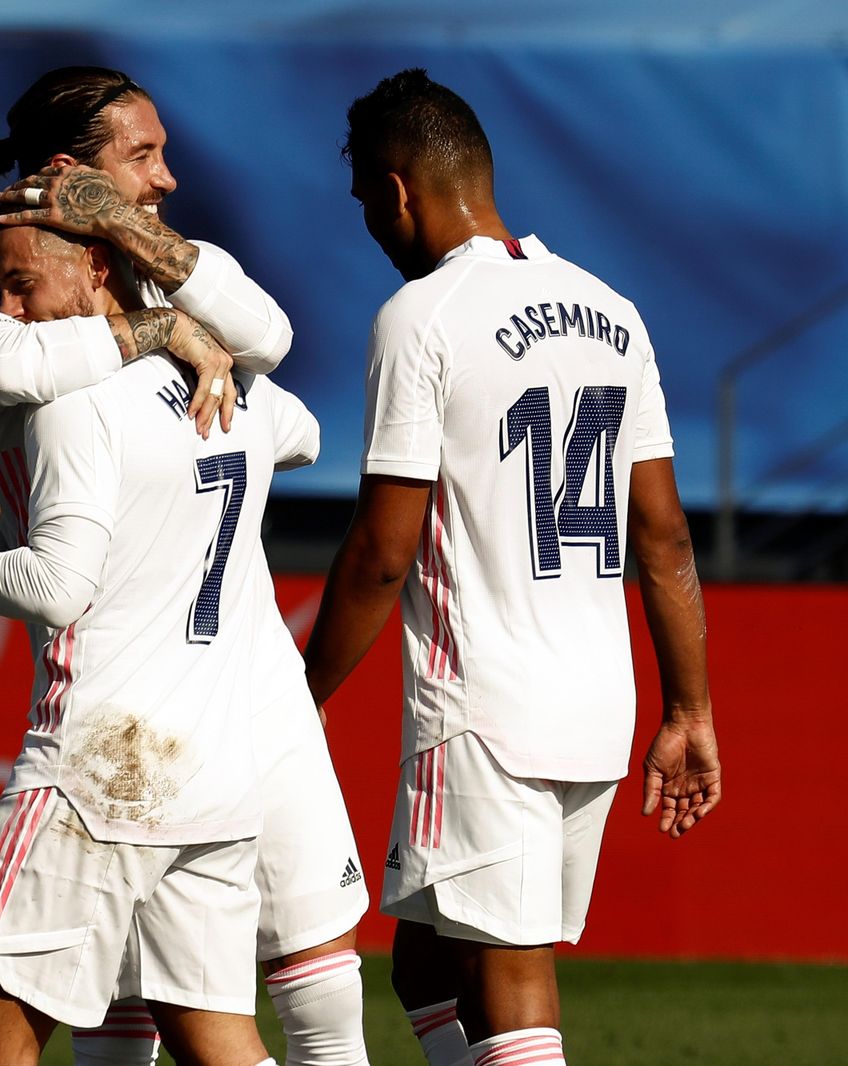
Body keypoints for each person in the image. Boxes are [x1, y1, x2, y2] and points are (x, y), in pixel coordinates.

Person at [0, 67, 369, 1065]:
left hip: (205, 693)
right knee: (167, 1004)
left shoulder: (173, 289)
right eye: (141, 156)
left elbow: (273, 348)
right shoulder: (13, 320)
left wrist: (142, 258)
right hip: (170, 707)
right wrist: (162, 334)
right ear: (71, 174)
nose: (167, 178)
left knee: (312, 972)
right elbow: (8, 365)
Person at [302, 69, 723, 1066]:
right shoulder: (612, 311)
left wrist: (298, 693)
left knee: (510, 975)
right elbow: (664, 537)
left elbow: (382, 552)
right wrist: (690, 710)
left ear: (397, 190)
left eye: (365, 202)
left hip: (484, 710)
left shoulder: (422, 315)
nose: (370, 226)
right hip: (597, 705)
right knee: (424, 963)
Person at [0, 209, 323, 1066]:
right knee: (217, 1041)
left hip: (100, 764)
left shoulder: (71, 401)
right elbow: (302, 435)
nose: (8, 308)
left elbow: (57, 588)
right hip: (218, 772)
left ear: (93, 265)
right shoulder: (235, 386)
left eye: (23, 284)